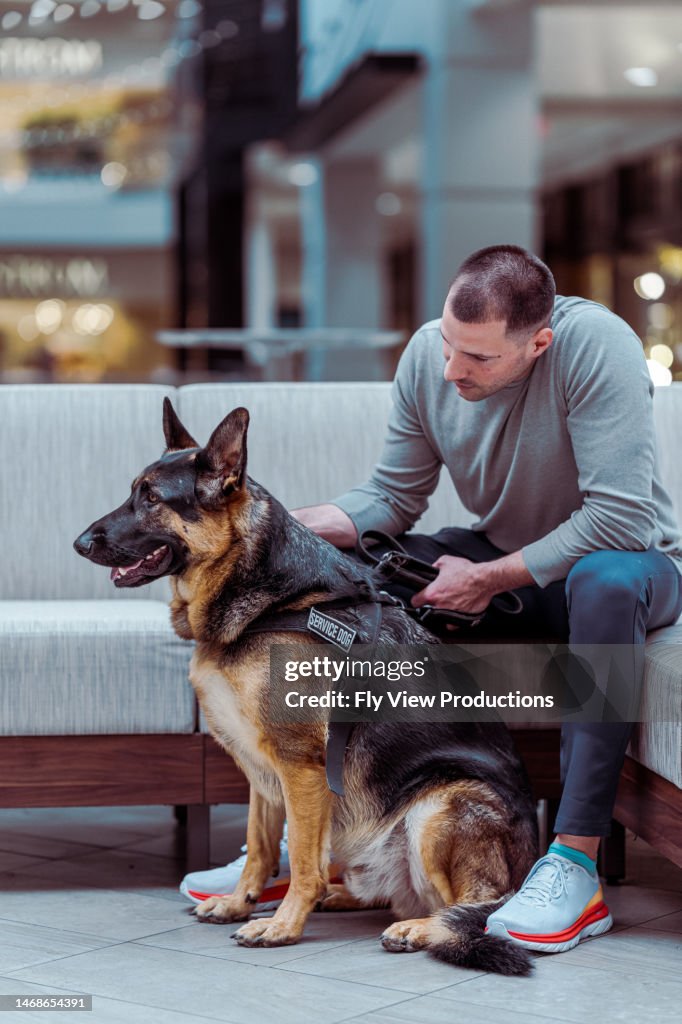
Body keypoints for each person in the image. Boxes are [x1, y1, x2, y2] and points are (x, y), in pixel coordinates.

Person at [181, 244, 682, 953]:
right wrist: (290, 530)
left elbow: (622, 519)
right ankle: (311, 840)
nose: (452, 370)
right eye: (450, 346)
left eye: (479, 359)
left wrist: (490, 578)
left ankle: (573, 865)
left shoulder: (598, 347)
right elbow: (394, 494)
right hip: (502, 552)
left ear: (538, 344)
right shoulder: (427, 353)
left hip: (624, 571)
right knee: (342, 572)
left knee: (606, 580)